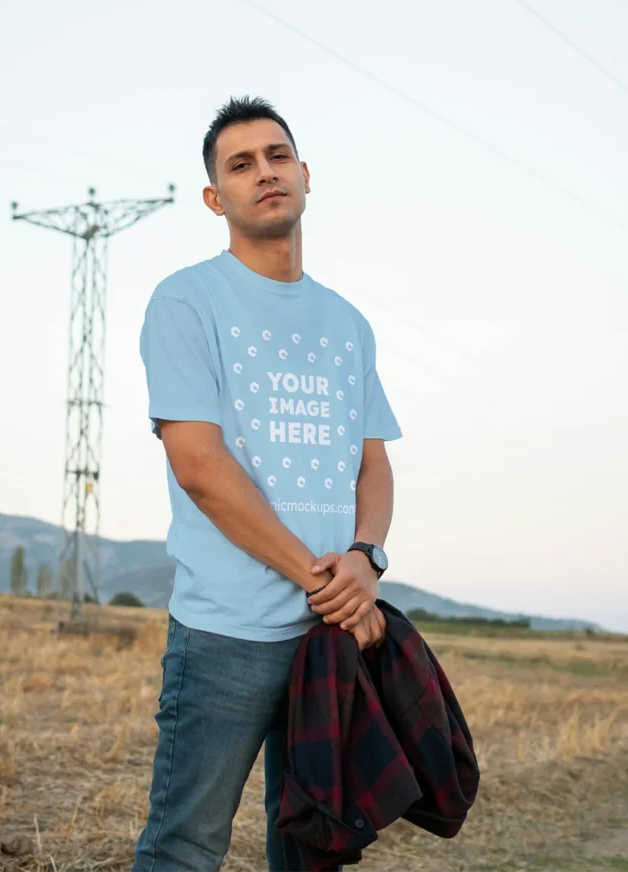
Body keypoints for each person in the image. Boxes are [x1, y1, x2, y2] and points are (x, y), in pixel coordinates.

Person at [131, 96, 402, 872]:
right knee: (184, 848)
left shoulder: (348, 323)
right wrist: (326, 581)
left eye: (277, 156)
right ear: (216, 198)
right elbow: (201, 467)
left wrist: (366, 558)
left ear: (306, 175)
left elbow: (371, 462)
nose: (265, 173)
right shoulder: (187, 300)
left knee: (314, 851)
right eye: (241, 164)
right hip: (226, 635)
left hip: (328, 638)